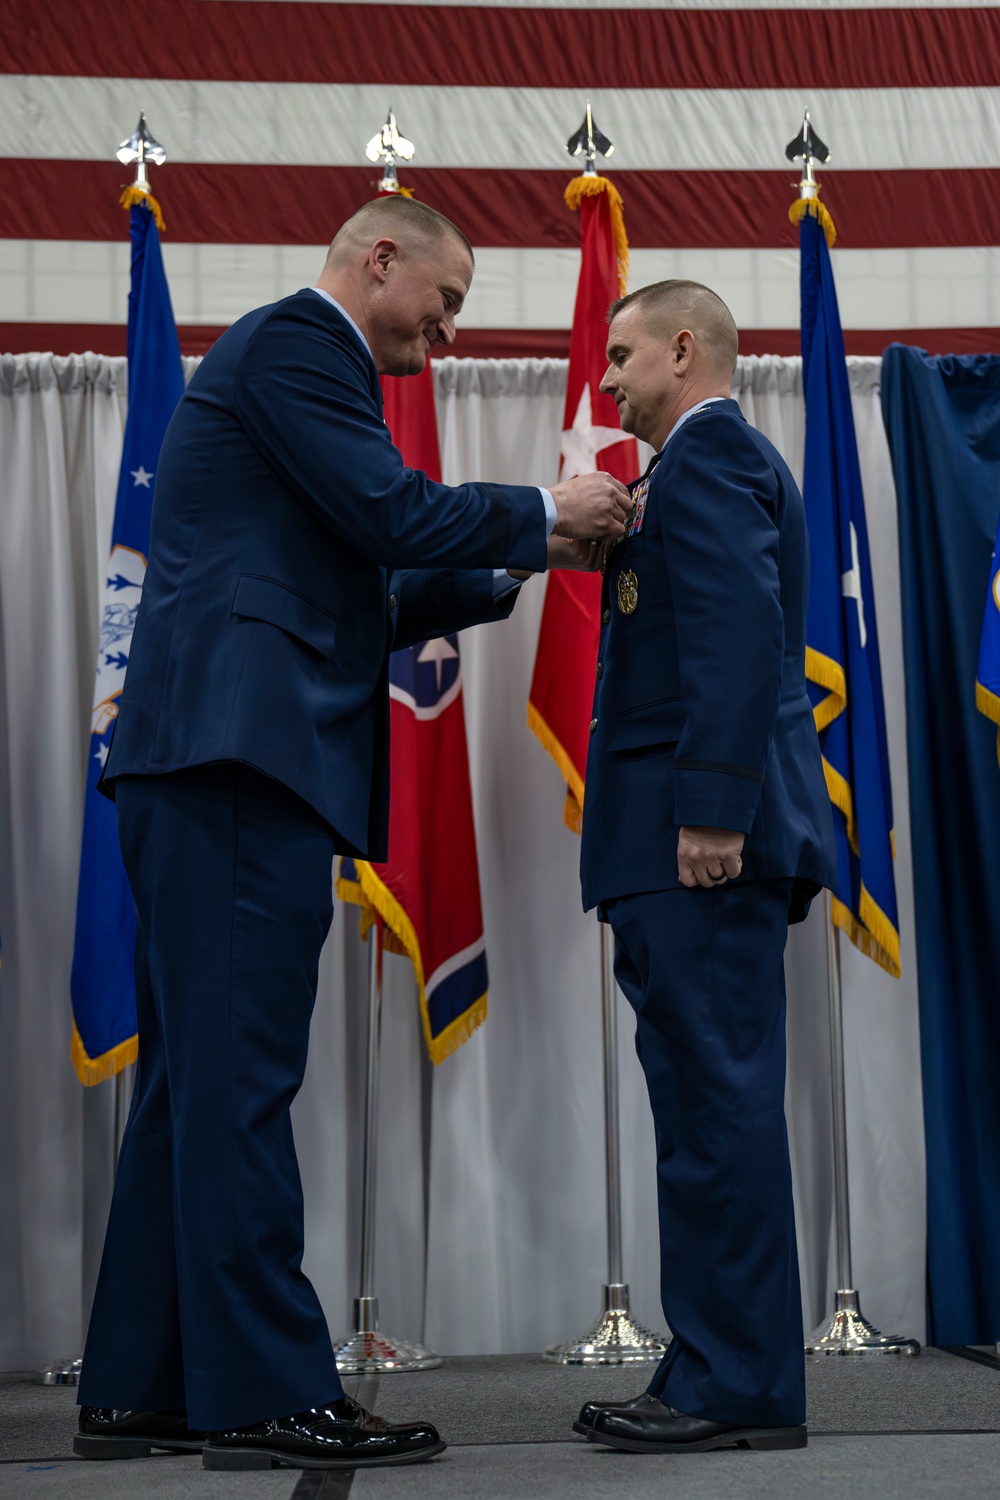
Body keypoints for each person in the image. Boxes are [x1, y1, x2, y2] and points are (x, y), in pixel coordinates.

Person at [74, 195, 630, 1472]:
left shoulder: (299, 369)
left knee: (193, 1088)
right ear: (377, 258)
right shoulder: (294, 348)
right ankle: (265, 1390)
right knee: (239, 1086)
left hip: (216, 761)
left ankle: (145, 1384)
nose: (444, 336)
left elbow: (355, 584)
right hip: (233, 761)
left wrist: (532, 553)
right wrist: (548, 511)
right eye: (443, 305)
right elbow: (387, 519)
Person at [575, 280, 836, 1455]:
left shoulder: (708, 458)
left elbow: (732, 630)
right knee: (696, 1108)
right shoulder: (681, 469)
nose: (607, 378)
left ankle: (735, 1387)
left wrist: (716, 810)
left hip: (699, 843)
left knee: (716, 1106)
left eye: (623, 355)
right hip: (668, 840)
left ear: (685, 351)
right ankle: (711, 1362)